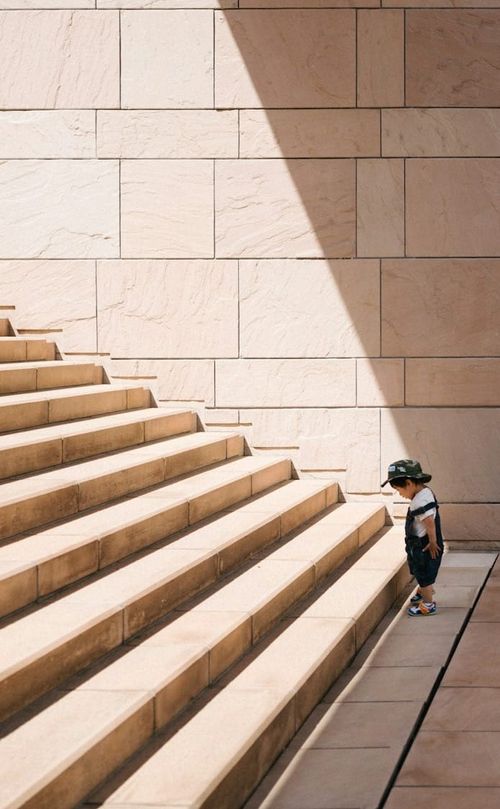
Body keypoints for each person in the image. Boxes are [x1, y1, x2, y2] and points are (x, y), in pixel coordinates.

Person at [382, 459, 444, 616]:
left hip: (424, 545)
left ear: (409, 483)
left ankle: (428, 604)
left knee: (423, 572)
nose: (400, 494)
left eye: (399, 489)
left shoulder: (418, 502)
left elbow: (429, 522)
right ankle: (424, 590)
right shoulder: (426, 492)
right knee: (422, 571)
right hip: (423, 542)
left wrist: (432, 542)